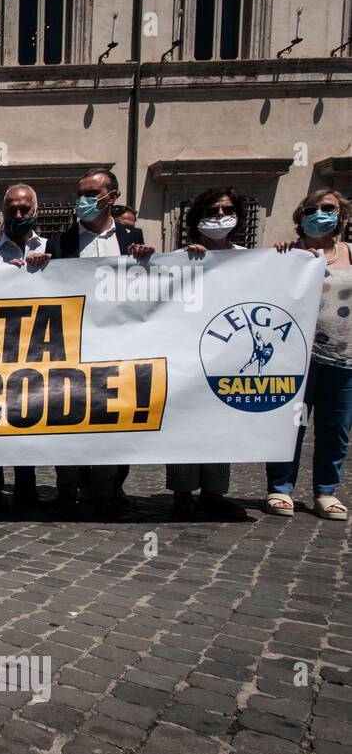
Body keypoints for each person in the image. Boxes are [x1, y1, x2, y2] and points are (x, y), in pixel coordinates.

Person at [31, 168, 156, 519]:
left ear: (111, 196)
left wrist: (150, 258)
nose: (83, 200)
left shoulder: (134, 237)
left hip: (117, 347)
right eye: (80, 193)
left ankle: (104, 495)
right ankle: (66, 493)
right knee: (67, 421)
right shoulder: (60, 242)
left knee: (111, 422)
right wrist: (38, 266)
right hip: (72, 345)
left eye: (91, 193)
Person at [162, 187, 251, 521]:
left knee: (220, 422)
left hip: (228, 354)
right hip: (185, 353)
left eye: (226, 210)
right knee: (185, 422)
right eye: (212, 211)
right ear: (197, 219)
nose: (219, 217)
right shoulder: (180, 258)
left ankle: (214, 493)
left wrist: (290, 257)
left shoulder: (250, 259)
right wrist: (183, 259)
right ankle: (182, 494)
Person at [267, 188, 352, 521]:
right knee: (290, 425)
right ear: (300, 218)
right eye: (311, 209)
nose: (320, 214)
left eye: (328, 208)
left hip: (343, 357)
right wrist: (278, 259)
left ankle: (326, 492)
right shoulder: (288, 254)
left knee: (337, 426)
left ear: (341, 215)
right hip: (295, 359)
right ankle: (280, 487)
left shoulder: (351, 253)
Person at [0, 183, 50, 510]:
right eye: (12, 210)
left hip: (39, 350)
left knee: (27, 420)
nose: (18, 214)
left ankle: (26, 488)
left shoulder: (53, 249)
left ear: (35, 211)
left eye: (24, 209)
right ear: (3, 212)